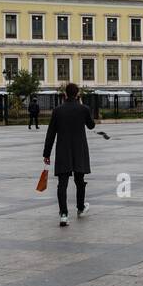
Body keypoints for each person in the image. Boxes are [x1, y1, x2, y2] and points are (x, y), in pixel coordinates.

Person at [43, 82, 96, 227]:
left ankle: (64, 214)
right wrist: (85, 108)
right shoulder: (83, 109)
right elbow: (91, 125)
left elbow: (51, 133)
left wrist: (46, 153)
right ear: (77, 94)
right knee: (80, 181)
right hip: (79, 150)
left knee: (62, 184)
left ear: (65, 94)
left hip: (63, 151)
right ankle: (80, 208)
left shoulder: (58, 110)